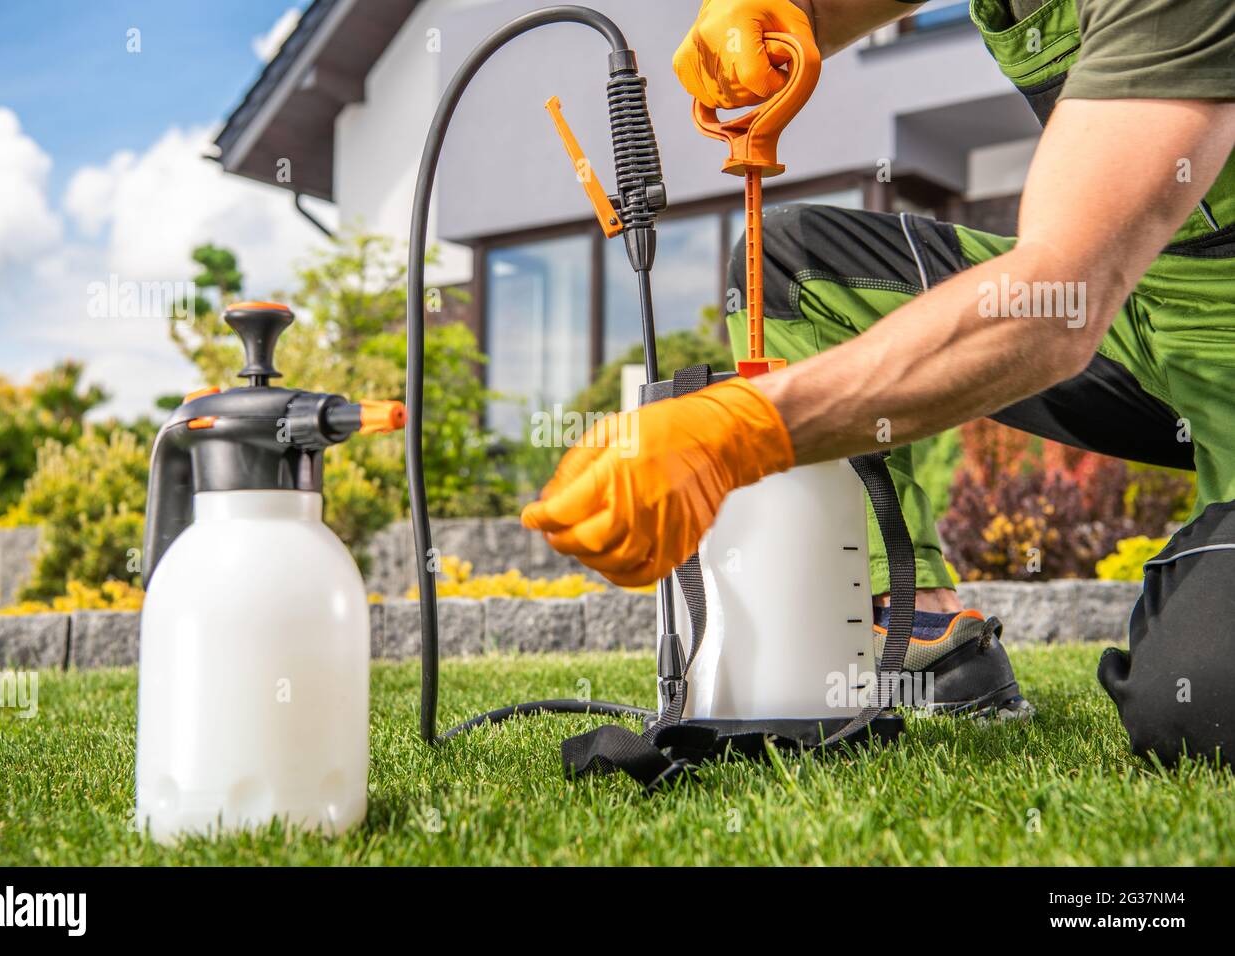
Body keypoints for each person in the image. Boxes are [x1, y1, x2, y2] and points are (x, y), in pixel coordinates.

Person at [522, 0, 1235, 763]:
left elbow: (1055, 301)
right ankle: (922, 624)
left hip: (1106, 304)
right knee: (794, 266)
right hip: (1144, 314)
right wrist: (799, 15)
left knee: (1196, 710)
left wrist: (740, 429)